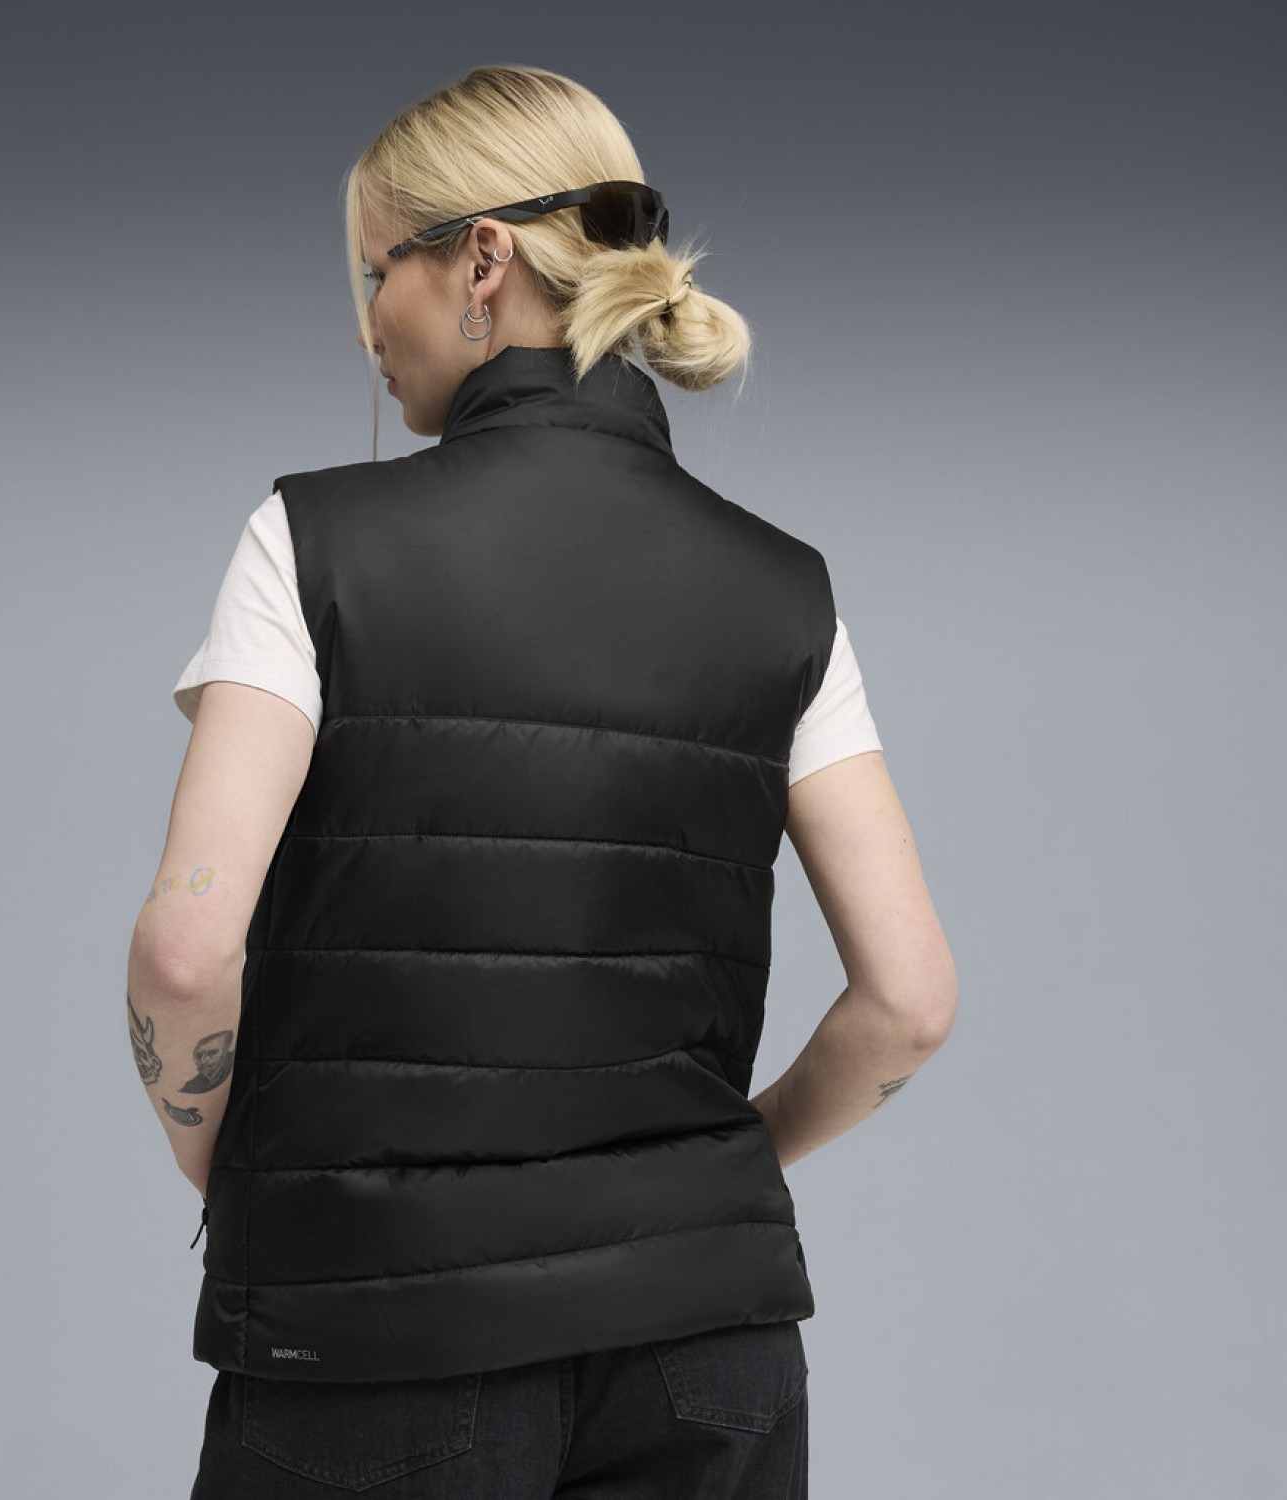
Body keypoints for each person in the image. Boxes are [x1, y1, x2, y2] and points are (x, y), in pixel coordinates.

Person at [127, 64, 958, 1500]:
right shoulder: (787, 592)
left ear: (482, 262)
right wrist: (710, 1179)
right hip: (712, 1357)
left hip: (386, 1340)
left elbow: (186, 952)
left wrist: (240, 1163)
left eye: (376, 271)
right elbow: (912, 1000)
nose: (365, 326)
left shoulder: (310, 543)